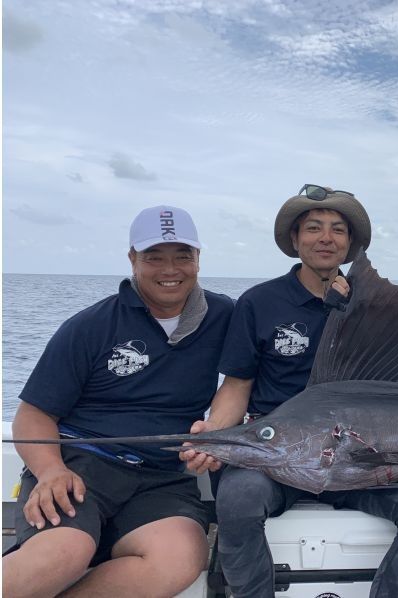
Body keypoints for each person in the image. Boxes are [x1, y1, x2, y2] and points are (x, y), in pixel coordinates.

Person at [181, 185, 398, 598]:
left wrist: (349, 309)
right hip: (278, 456)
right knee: (237, 500)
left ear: (351, 243)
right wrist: (213, 435)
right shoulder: (259, 302)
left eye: (338, 229)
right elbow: (237, 385)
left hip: (363, 459)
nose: (326, 238)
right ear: (295, 239)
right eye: (313, 228)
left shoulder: (375, 306)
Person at [3, 205, 235, 598]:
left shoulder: (224, 315)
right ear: (132, 259)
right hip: (81, 466)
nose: (170, 269)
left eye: (183, 255)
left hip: (161, 478)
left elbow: (238, 380)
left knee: (179, 557)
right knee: (64, 551)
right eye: (154, 257)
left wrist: (217, 430)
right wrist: (50, 472)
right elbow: (33, 415)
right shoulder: (91, 325)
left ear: (198, 258)